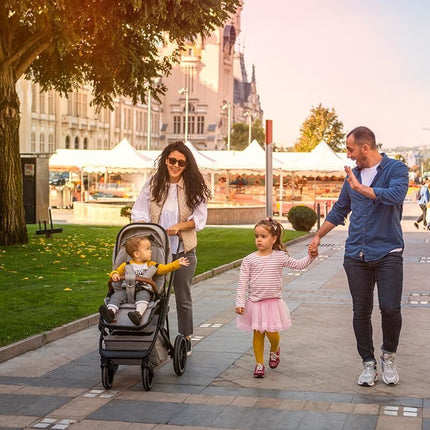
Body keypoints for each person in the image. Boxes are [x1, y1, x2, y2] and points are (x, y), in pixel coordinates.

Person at [309, 126, 409, 387]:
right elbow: (340, 209)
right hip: (356, 254)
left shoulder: (395, 169)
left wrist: (361, 188)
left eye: (350, 149)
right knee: (360, 312)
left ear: (366, 147)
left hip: (388, 252)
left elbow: (396, 195)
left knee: (390, 308)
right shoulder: (352, 176)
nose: (349, 154)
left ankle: (388, 356)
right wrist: (318, 235)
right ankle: (368, 363)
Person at [131, 141, 211, 355]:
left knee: (182, 296)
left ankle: (185, 337)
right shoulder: (153, 183)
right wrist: (147, 228)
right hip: (157, 249)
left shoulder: (193, 186)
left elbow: (200, 219)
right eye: (172, 160)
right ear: (165, 160)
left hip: (183, 250)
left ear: (187, 165)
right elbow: (138, 211)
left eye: (181, 162)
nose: (175, 165)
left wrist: (179, 227)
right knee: (154, 291)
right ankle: (152, 333)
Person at [235, 217, 317, 378]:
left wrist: (311, 256)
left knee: (272, 333)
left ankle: (275, 349)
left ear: (273, 239)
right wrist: (240, 302)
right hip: (255, 304)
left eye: (263, 236)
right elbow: (242, 283)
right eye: (256, 236)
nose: (259, 240)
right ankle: (259, 364)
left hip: (273, 303)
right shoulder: (249, 260)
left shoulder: (280, 256)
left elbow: (298, 264)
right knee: (258, 333)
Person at [99, 235, 189, 326]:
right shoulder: (125, 265)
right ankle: (110, 313)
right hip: (126, 289)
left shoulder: (151, 265)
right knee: (116, 296)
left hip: (143, 289)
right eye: (147, 249)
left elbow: (164, 268)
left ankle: (138, 315)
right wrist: (114, 274)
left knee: (143, 296)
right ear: (137, 254)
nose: (151, 251)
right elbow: (116, 271)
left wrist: (177, 263)